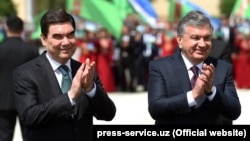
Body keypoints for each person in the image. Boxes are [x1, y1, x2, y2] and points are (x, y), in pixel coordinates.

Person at [12, 9, 116, 141]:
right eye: (58, 36)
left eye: (70, 35)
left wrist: (91, 90)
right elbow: (29, 116)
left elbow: (108, 114)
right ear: (44, 39)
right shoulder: (25, 74)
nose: (66, 42)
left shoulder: (84, 71)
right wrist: (70, 97)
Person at [147, 11, 241, 124]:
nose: (202, 44)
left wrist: (212, 91)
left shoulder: (222, 68)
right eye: (195, 38)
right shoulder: (160, 67)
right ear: (180, 40)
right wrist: (193, 95)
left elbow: (234, 111)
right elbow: (155, 109)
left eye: (207, 38)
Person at [0, 15, 39, 141]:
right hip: (26, 100)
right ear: (22, 29)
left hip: (3, 99)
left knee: (4, 136)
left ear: (6, 28)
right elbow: (37, 75)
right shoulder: (31, 49)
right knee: (29, 136)